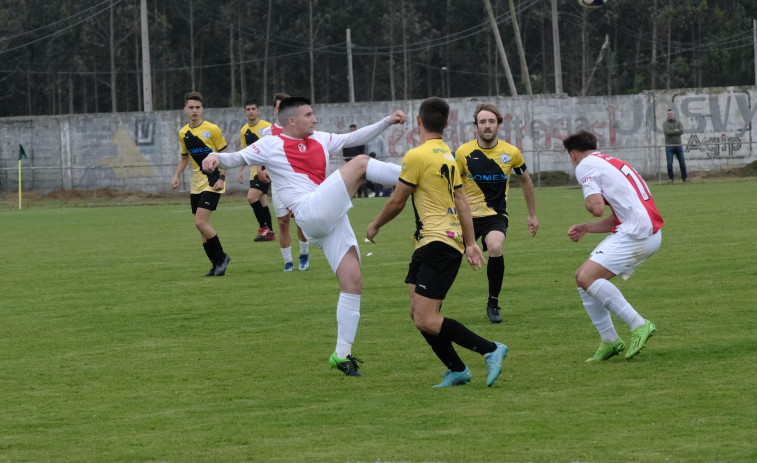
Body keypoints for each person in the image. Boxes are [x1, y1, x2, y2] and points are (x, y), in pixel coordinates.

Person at [202, 96, 407, 377]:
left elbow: (355, 136)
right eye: (309, 115)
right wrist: (214, 157)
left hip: (329, 218)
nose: (315, 119)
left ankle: (342, 355)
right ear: (292, 120)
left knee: (353, 282)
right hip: (310, 212)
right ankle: (420, 175)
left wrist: (386, 121)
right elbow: (235, 157)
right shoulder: (271, 144)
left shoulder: (321, 138)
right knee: (361, 162)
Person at [366, 97, 508, 388]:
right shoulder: (447, 153)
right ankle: (457, 369)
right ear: (446, 124)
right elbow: (462, 201)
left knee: (426, 318)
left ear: (418, 121)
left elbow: (396, 201)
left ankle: (491, 349)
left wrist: (375, 224)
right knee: (417, 313)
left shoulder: (416, 156)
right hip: (432, 242)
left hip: (438, 244)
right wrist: (470, 243)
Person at [564, 130, 662, 362]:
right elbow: (620, 215)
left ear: (573, 154)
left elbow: (596, 206)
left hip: (638, 234)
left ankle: (639, 325)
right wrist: (587, 227)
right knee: (582, 279)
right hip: (644, 230)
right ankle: (609, 340)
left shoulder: (585, 166)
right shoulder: (612, 162)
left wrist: (588, 199)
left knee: (587, 277)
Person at [455, 104, 539, 324]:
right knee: (447, 255)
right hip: (467, 216)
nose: (487, 126)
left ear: (499, 125)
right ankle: (434, 302)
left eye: (491, 121)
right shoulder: (463, 153)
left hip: (495, 215)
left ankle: (493, 302)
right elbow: (452, 186)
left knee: (495, 246)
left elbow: (526, 181)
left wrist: (532, 214)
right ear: (476, 126)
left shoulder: (511, 153)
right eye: (482, 122)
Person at [171, 91, 231, 277]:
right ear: (185, 110)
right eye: (191, 107)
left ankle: (222, 257)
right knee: (202, 228)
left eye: (197, 107)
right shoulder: (184, 133)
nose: (194, 110)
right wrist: (176, 176)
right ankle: (215, 266)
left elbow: (225, 155)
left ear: (202, 109)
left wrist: (221, 178)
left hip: (212, 182)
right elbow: (184, 158)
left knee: (200, 222)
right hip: (195, 184)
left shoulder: (212, 129)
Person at [263, 93, 310, 271]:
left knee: (301, 221)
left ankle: (304, 255)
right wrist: (261, 170)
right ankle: (288, 262)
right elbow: (262, 155)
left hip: (298, 184)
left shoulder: (300, 131)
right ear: (275, 110)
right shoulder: (268, 132)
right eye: (279, 106)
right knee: (283, 222)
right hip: (278, 186)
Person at [236, 98, 275, 242]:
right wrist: (240, 170)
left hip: (265, 170)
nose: (251, 112)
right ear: (245, 112)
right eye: (248, 109)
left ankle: (263, 227)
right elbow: (245, 151)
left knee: (251, 197)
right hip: (253, 170)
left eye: (253, 109)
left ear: (258, 110)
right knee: (263, 203)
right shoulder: (244, 131)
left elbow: (273, 147)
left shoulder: (266, 127)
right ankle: (270, 233)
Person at [663, 108, 687, 183]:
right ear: (667, 115)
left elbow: (682, 131)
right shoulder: (665, 123)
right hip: (669, 146)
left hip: (678, 145)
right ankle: (671, 179)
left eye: (671, 114)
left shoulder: (678, 122)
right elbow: (667, 132)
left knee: (682, 162)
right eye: (669, 114)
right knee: (669, 163)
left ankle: (684, 178)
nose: (670, 115)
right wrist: (676, 131)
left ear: (673, 114)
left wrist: (673, 132)